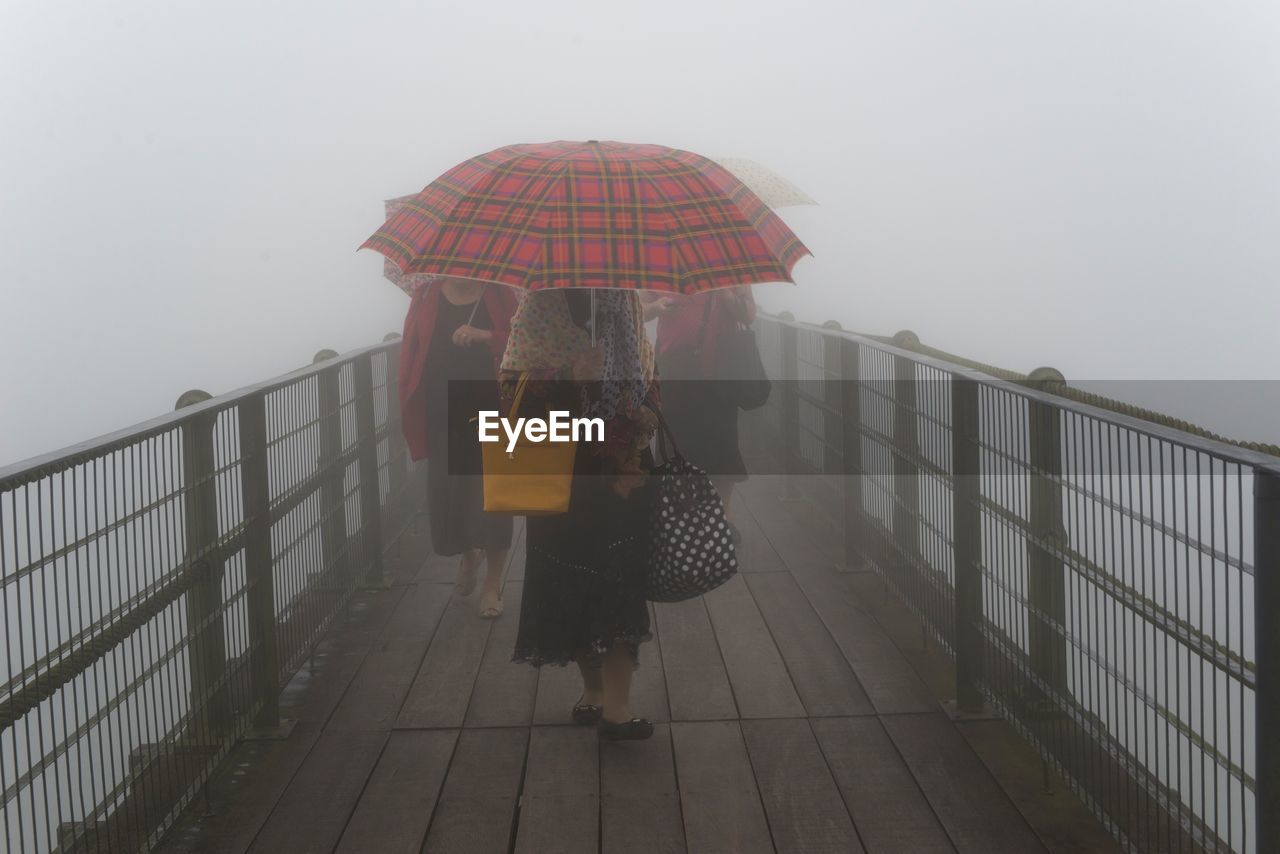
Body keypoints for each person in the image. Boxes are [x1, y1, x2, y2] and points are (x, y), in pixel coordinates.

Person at [502, 288, 660, 740]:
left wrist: (649, 409)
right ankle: (592, 690)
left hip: (622, 468)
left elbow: (648, 372)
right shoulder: (537, 308)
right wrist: (569, 374)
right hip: (557, 467)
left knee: (619, 580)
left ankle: (618, 706)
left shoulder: (625, 302)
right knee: (569, 579)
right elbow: (510, 391)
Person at [399, 276, 520, 617]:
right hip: (442, 411)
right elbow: (410, 351)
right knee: (449, 494)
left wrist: (485, 337)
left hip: (493, 408)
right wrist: (409, 404)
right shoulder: (426, 295)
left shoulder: (499, 294)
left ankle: (493, 585)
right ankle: (469, 555)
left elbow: (523, 341)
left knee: (495, 496)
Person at [649, 286, 756, 541]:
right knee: (678, 446)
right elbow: (640, 310)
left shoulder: (730, 272)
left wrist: (728, 296)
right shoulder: (664, 271)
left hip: (720, 374)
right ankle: (682, 516)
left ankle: (723, 517)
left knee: (723, 445)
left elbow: (749, 315)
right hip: (676, 372)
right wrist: (657, 306)